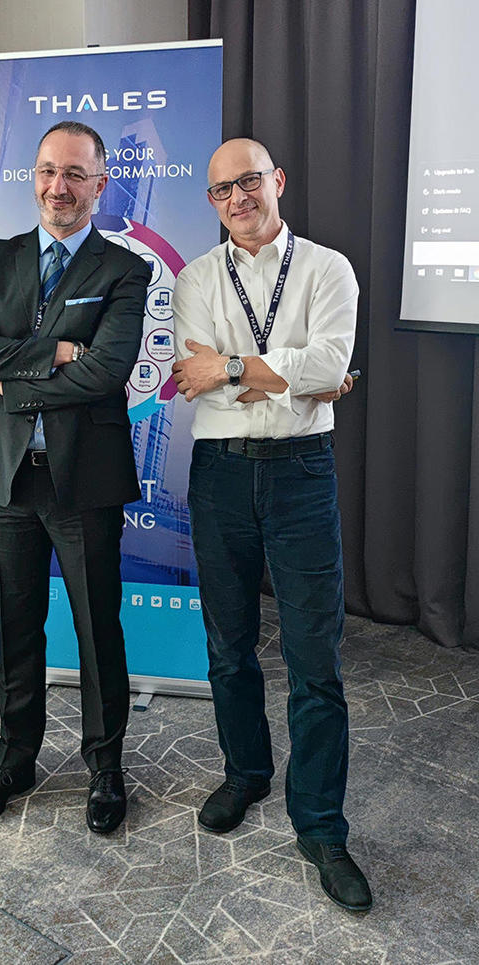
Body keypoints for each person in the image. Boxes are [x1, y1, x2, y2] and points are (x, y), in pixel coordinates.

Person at [171, 138, 371, 911]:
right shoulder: (194, 277)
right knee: (227, 645)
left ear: (276, 181)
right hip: (219, 476)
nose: (238, 198)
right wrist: (294, 379)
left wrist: (233, 367)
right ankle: (246, 771)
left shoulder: (329, 269)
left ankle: (321, 824)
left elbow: (328, 366)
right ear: (212, 201)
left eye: (249, 181)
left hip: (300, 476)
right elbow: (202, 381)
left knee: (314, 658)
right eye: (222, 189)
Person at [0, 121, 150, 834]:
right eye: (45, 172)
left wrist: (17, 373)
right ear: (30, 178)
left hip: (83, 481)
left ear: (99, 184)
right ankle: (14, 759)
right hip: (5, 478)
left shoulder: (126, 269)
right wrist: (54, 351)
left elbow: (105, 371)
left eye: (74, 174)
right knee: (17, 627)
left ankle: (106, 766)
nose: (57, 187)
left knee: (98, 628)